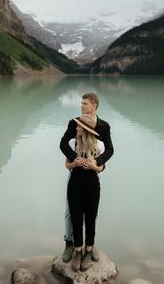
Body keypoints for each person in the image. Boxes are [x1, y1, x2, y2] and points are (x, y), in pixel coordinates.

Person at [60, 92, 114, 263]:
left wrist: (97, 163)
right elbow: (63, 143)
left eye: (85, 103)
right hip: (76, 171)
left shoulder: (103, 127)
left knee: (91, 213)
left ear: (94, 105)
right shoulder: (74, 122)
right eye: (81, 103)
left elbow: (110, 150)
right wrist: (74, 159)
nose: (81, 106)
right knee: (71, 211)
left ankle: (89, 245)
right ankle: (71, 243)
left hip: (92, 171)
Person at [65, 114, 104, 271]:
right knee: (76, 218)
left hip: (92, 186)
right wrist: (74, 163)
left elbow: (102, 168)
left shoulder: (99, 146)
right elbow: (67, 164)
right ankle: (78, 251)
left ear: (86, 130)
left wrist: (94, 166)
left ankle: (88, 251)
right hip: (74, 184)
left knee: (90, 218)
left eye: (79, 126)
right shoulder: (74, 142)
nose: (76, 128)